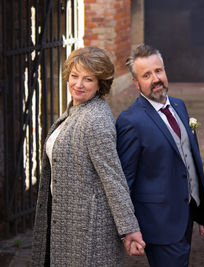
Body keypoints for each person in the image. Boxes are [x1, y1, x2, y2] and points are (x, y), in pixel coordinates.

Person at [31, 46, 146, 267]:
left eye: (88, 79)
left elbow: (113, 178)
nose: (78, 84)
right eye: (74, 76)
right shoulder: (75, 110)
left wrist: (129, 230)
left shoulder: (95, 119)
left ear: (100, 83)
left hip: (88, 233)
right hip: (67, 224)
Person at [116, 44, 204, 267]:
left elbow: (190, 162)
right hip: (158, 223)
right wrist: (128, 230)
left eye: (158, 71)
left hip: (185, 214)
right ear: (136, 83)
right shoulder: (131, 121)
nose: (155, 79)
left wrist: (201, 211)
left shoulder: (179, 106)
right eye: (147, 75)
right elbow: (124, 181)